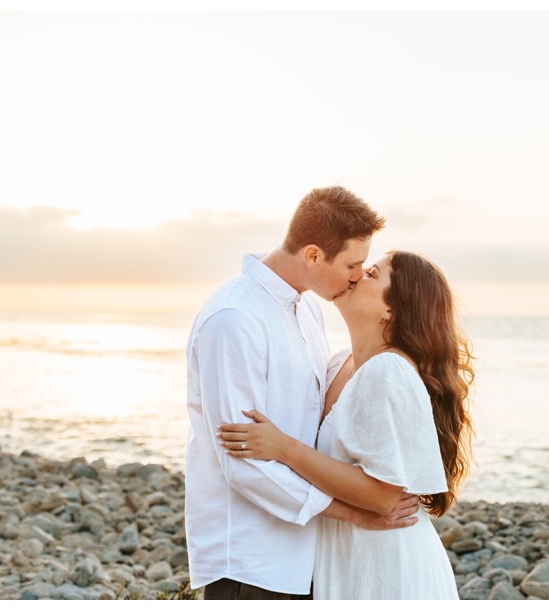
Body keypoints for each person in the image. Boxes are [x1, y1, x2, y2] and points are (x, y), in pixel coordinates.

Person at [185, 186, 420, 600]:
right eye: (352, 263)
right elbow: (242, 465)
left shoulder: (307, 307)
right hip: (249, 559)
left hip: (302, 556)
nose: (355, 276)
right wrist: (354, 514)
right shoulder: (234, 319)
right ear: (312, 255)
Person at [218, 250, 475, 599]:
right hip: (346, 554)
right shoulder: (340, 363)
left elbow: (383, 495)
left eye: (371, 274)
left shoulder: (389, 371)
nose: (354, 276)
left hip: (387, 564)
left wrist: (285, 448)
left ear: (391, 311)